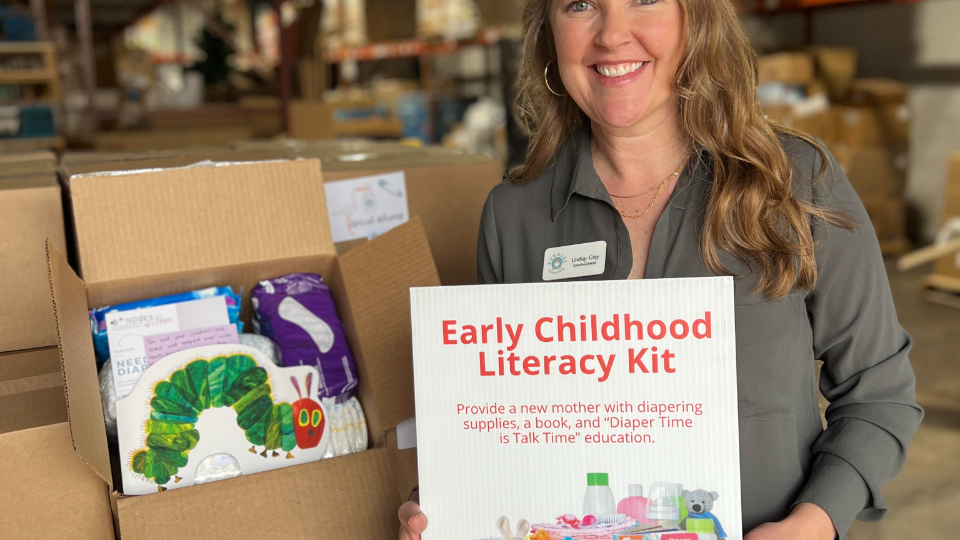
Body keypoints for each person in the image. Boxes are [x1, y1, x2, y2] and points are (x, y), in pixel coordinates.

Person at [399, 0, 923, 538]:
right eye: (580, 4)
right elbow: (504, 429)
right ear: (548, 31)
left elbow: (879, 395)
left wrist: (811, 525)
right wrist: (448, 499)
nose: (612, 34)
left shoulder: (792, 184)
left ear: (696, 17)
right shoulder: (513, 217)